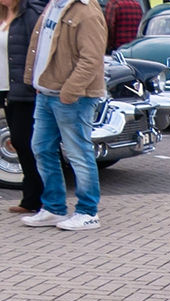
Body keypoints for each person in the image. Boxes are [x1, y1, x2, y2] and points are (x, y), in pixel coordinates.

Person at [20, 0, 106, 231]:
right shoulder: (53, 6)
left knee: (78, 152)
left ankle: (88, 212)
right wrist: (36, 81)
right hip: (46, 93)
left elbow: (91, 59)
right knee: (41, 148)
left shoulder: (86, 11)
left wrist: (69, 92)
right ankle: (54, 208)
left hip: (71, 97)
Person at [4, 0, 45, 213]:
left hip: (23, 90)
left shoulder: (29, 15)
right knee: (20, 143)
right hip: (5, 88)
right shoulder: (3, 16)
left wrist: (33, 83)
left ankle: (37, 199)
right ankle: (31, 199)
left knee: (26, 143)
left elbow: (38, 52)